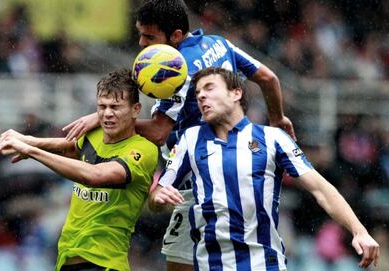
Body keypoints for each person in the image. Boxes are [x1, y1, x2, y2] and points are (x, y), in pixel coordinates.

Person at [62, 0, 295, 271]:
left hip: (196, 183)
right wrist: (278, 118)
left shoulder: (172, 69)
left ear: (174, 35)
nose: (141, 43)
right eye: (140, 34)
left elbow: (160, 131)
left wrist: (104, 117)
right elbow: (269, 78)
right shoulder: (219, 44)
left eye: (149, 37)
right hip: (234, 176)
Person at [150, 67, 380, 271]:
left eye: (209, 88)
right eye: (198, 92)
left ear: (236, 93)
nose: (201, 96)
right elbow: (157, 197)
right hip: (210, 264)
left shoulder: (273, 138)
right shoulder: (190, 139)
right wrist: (158, 197)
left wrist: (359, 231)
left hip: (264, 264)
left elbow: (321, 189)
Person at [0, 69, 158, 271]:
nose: (107, 113)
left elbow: (95, 175)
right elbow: (70, 147)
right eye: (102, 107)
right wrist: (30, 141)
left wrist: (31, 150)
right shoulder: (94, 136)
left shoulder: (144, 150)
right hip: (66, 258)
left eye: (115, 107)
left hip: (104, 263)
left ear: (135, 109)